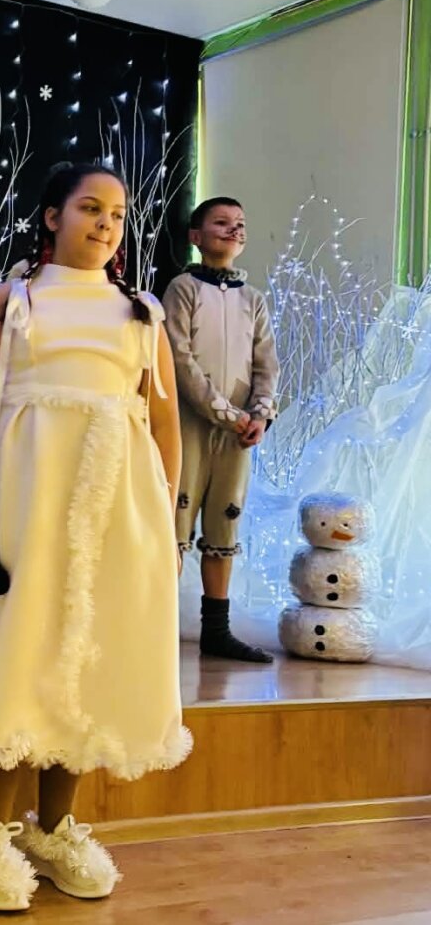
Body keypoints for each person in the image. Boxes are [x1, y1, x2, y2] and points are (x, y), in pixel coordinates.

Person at [0, 163, 190, 909]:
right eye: (89, 207)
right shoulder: (12, 301)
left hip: (116, 506)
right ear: (52, 216)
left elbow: (163, 422)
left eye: (117, 213)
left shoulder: (141, 313)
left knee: (86, 657)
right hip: (27, 500)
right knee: (20, 646)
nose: (105, 223)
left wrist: (165, 519)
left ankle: (55, 827)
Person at [163, 196, 279, 663]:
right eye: (222, 223)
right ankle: (156, 630)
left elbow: (267, 363)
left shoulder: (253, 299)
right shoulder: (183, 289)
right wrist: (227, 413)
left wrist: (260, 413)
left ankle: (216, 630)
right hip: (189, 425)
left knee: (225, 519)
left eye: (240, 223)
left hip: (238, 434)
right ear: (196, 236)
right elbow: (179, 359)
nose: (234, 230)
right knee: (176, 519)